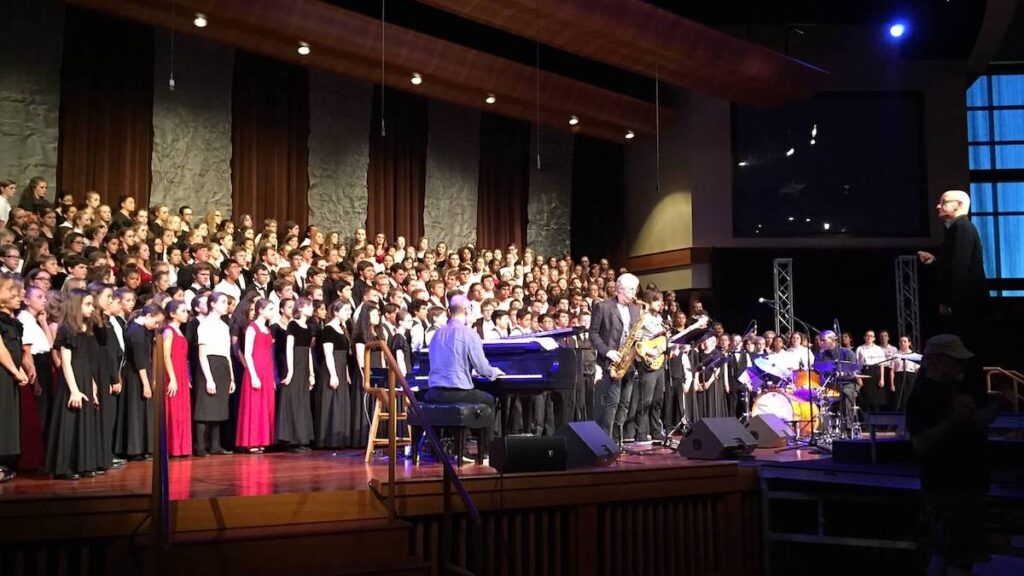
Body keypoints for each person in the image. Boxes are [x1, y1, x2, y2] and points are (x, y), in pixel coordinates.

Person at [906, 335, 995, 576]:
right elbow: (921, 444)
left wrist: (991, 412)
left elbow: (967, 428)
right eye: (955, 360)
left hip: (962, 486)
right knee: (955, 556)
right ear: (935, 362)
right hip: (948, 488)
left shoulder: (949, 392)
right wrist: (953, 421)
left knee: (951, 554)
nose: (961, 366)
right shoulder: (924, 396)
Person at [424, 294, 502, 460]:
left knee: (471, 396)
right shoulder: (468, 333)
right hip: (456, 391)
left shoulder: (437, 334)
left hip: (434, 392)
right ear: (466, 310)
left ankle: (449, 447)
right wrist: (495, 372)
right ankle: (485, 451)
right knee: (488, 400)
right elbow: (482, 367)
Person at [917, 190, 987, 352]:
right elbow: (955, 264)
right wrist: (935, 261)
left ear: (959, 205)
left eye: (944, 202)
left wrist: (948, 301)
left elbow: (959, 269)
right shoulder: (958, 229)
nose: (938, 206)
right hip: (964, 303)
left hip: (964, 305)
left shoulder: (962, 228)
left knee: (961, 349)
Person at [45, 289, 102, 480]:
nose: (92, 308)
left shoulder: (86, 327)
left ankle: (83, 463)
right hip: (71, 380)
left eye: (92, 304)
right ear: (76, 306)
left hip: (85, 376)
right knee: (69, 421)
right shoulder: (67, 328)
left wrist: (92, 385)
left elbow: (87, 359)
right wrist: (74, 390)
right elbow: (66, 363)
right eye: (87, 304)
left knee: (83, 421)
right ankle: (65, 467)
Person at [589, 273, 642, 438]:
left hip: (629, 361)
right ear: (619, 289)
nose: (634, 293)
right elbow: (593, 334)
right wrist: (608, 351)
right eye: (631, 289)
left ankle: (619, 439)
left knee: (625, 403)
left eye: (635, 289)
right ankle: (606, 440)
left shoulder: (636, 308)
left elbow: (633, 332)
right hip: (611, 361)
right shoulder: (603, 306)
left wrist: (638, 337)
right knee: (612, 403)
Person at [194, 292, 234, 456]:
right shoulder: (204, 325)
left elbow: (227, 353)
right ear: (212, 304)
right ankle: (201, 446)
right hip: (209, 365)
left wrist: (231, 377)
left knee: (219, 407)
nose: (226, 305)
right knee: (205, 408)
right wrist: (209, 379)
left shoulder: (224, 326)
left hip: (223, 365)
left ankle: (216, 445)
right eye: (223, 302)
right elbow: (202, 353)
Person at [236, 298, 275, 453]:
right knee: (254, 406)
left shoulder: (267, 329)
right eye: (270, 309)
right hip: (256, 369)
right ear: (260, 310)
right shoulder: (252, 328)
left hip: (267, 369)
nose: (273, 312)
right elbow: (248, 353)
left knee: (265, 406)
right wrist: (253, 375)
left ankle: (262, 440)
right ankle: (251, 441)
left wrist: (272, 377)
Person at [277, 297, 315, 452]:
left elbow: (308, 352)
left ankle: (302, 438)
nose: (311, 309)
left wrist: (311, 373)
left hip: (304, 365)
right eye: (309, 306)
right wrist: (290, 370)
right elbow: (289, 348)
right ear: (300, 308)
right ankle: (292, 440)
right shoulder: (293, 324)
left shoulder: (308, 327)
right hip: (294, 365)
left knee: (302, 402)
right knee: (293, 401)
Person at [314, 300, 353, 449]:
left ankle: (340, 438)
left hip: (341, 368)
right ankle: (328, 440)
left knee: (341, 403)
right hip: (331, 369)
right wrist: (333, 374)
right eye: (345, 310)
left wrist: (346, 373)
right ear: (336, 312)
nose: (348, 313)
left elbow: (344, 355)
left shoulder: (343, 328)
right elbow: (328, 354)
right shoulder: (328, 330)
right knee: (331, 402)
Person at [0, 275, 28, 482]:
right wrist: (15, 370)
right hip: (3, 373)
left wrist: (21, 369)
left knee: (8, 418)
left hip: (10, 373)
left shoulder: (12, 320)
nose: (17, 295)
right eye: (11, 290)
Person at [162, 300, 193, 457]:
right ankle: (172, 447)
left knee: (181, 410)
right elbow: (166, 356)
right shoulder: (168, 331)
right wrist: (173, 378)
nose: (186, 314)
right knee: (173, 410)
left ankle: (182, 447)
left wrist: (185, 377)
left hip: (181, 373)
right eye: (182, 311)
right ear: (172, 314)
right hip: (172, 373)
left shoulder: (179, 331)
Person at [816, 330, 859, 434]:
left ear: (833, 340)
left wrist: (841, 374)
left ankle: (847, 429)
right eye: (820, 341)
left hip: (846, 384)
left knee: (846, 393)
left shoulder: (847, 353)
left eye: (823, 341)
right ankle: (824, 431)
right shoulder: (821, 355)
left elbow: (854, 372)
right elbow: (817, 369)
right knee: (818, 395)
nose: (820, 343)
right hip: (830, 385)